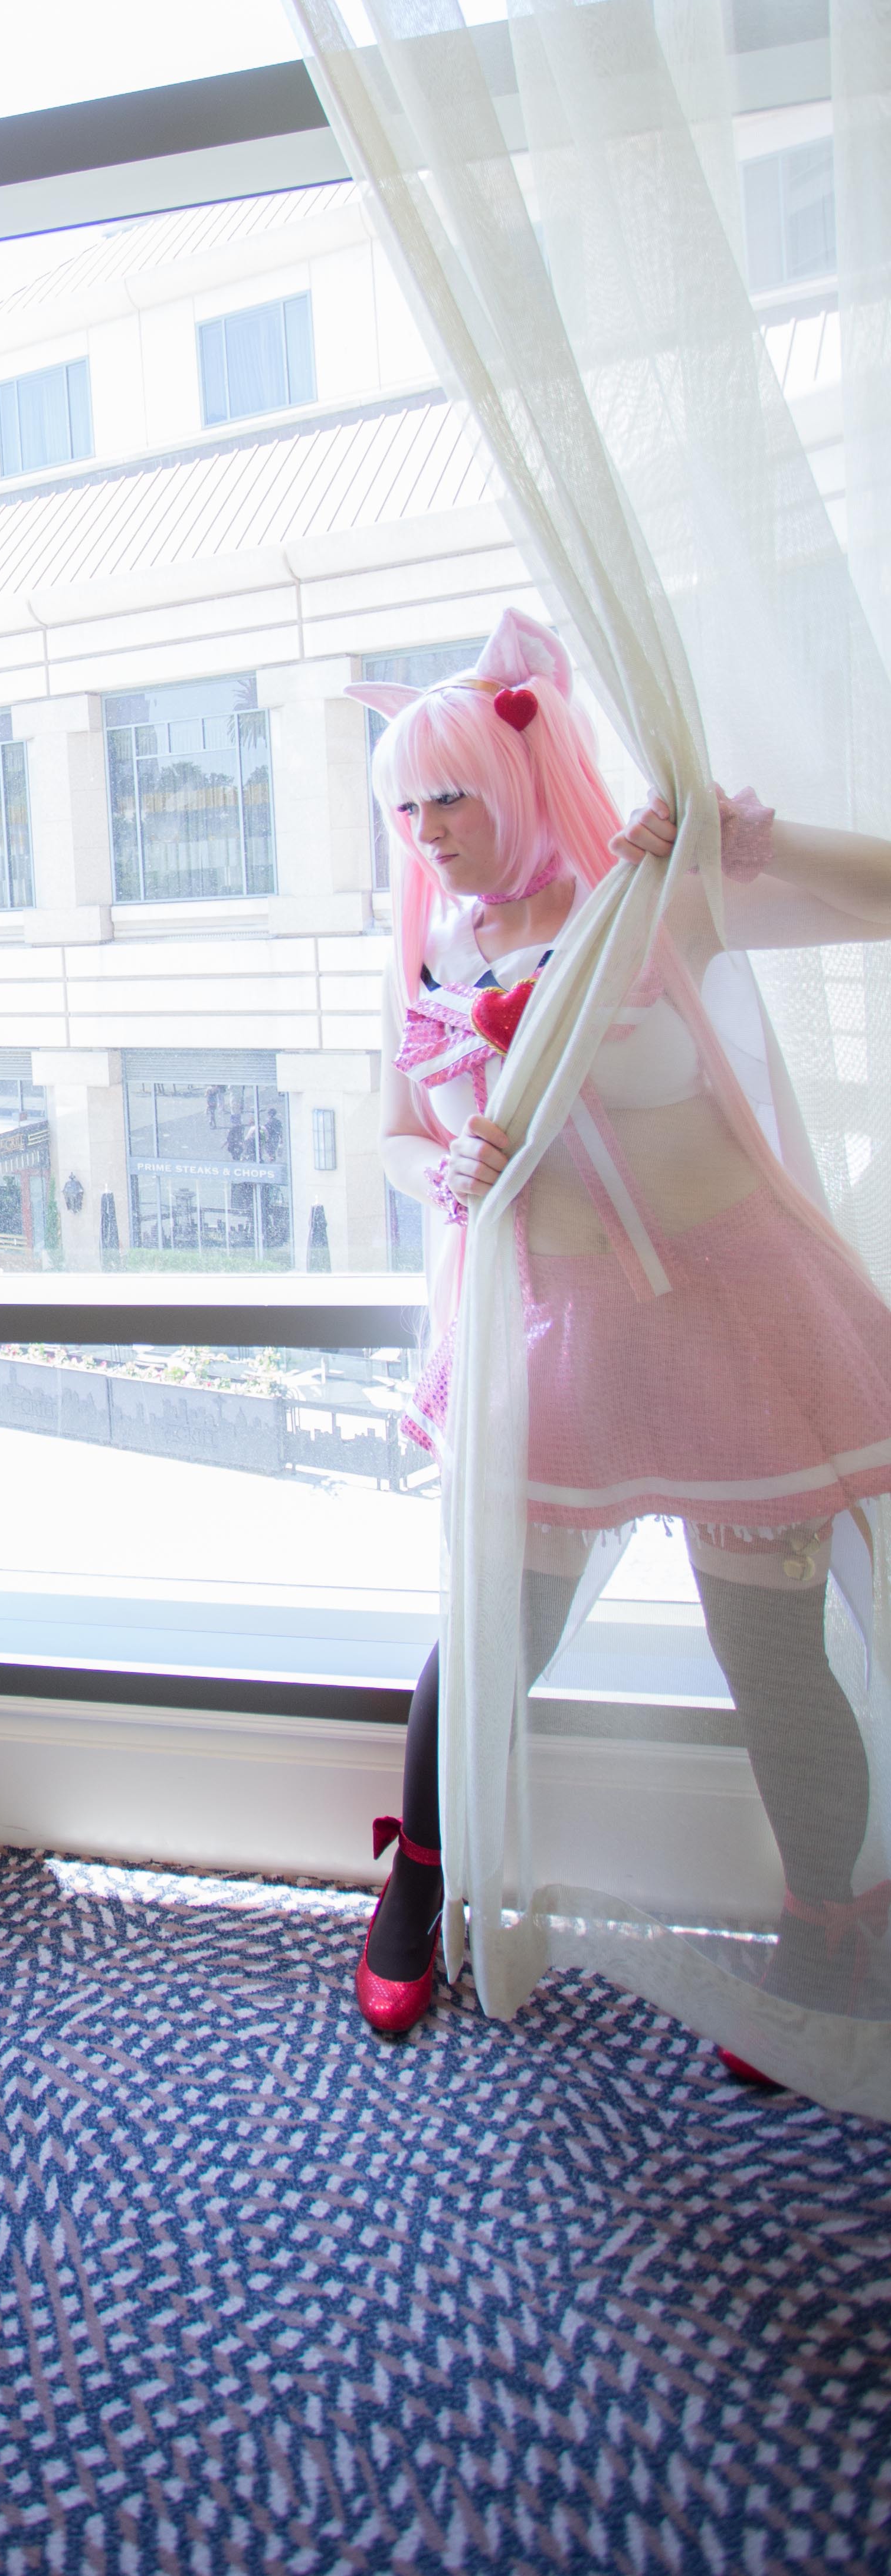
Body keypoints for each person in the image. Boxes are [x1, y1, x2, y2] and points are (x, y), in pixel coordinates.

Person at [353, 611, 891, 2055]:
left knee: (769, 1651)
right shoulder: (428, 948)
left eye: (450, 797)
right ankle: (420, 1873)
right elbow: (394, 1133)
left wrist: (747, 840)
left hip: (738, 1319)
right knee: (492, 1630)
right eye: (404, 809)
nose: (427, 833)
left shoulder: (653, 896)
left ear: (521, 780)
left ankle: (827, 1922)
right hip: (551, 1335)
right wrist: (444, 1174)